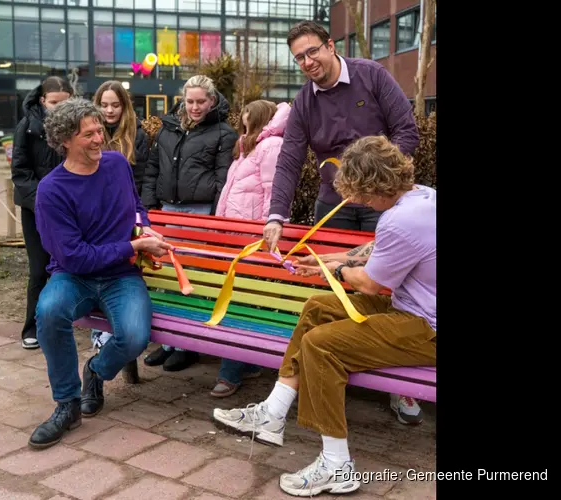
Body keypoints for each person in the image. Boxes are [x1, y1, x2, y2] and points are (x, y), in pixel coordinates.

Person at [213, 135, 436, 497]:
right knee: (319, 308)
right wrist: (327, 263)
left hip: (425, 328)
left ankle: (337, 466)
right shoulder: (421, 196)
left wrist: (332, 271)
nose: (357, 201)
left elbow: (365, 284)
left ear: (372, 184)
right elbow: (377, 250)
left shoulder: (400, 219)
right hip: (411, 310)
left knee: (322, 346)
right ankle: (273, 412)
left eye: (359, 192)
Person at [262, 20, 423, 424]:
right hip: (331, 203)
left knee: (386, 286)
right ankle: (335, 364)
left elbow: (407, 131)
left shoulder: (372, 75)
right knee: (335, 284)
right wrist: (276, 216)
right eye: (298, 57)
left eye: (312, 51)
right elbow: (289, 159)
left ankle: (402, 388)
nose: (307, 61)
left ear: (331, 46)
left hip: (380, 199)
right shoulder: (304, 101)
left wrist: (376, 179)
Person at [28, 98, 172, 450]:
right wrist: (133, 248)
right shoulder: (51, 190)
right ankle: (67, 404)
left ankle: (96, 370)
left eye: (99, 131)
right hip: (74, 276)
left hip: (121, 275)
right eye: (88, 134)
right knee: (48, 312)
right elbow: (75, 257)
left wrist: (144, 230)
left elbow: (136, 206)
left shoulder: (117, 164)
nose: (98, 139)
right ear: (65, 139)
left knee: (136, 336)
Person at [141, 74, 238, 372]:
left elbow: (223, 178)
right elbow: (153, 169)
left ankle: (187, 344)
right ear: (183, 100)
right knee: (166, 277)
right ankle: (168, 342)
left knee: (191, 276)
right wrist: (148, 207)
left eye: (201, 101)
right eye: (190, 101)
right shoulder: (169, 128)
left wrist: (215, 216)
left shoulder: (223, 132)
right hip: (167, 210)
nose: (195, 107)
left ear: (212, 101)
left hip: (199, 212)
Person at [211, 99, 291, 397]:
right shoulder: (247, 147)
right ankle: (245, 362)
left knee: (239, 299)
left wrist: (265, 231)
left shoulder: (270, 146)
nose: (243, 123)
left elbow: (273, 190)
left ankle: (229, 372)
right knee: (236, 296)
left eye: (248, 118)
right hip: (235, 234)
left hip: (252, 237)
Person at [11, 76, 74, 350]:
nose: (59, 108)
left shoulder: (76, 126)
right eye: (53, 103)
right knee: (38, 270)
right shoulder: (26, 127)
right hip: (35, 209)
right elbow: (20, 171)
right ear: (42, 101)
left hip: (69, 211)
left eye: (64, 103)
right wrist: (43, 201)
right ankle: (32, 327)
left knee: (68, 266)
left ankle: (66, 321)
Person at [89, 80, 151, 352]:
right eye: (103, 105)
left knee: (125, 271)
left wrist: (140, 216)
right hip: (96, 213)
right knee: (97, 269)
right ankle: (100, 331)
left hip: (127, 212)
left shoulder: (136, 135)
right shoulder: (90, 132)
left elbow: (144, 177)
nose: (109, 111)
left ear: (124, 106)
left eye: (115, 105)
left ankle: (123, 326)